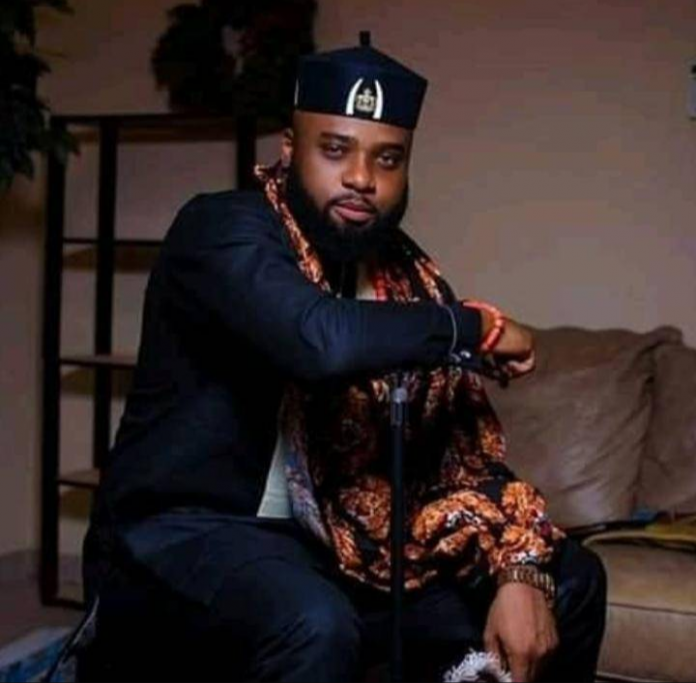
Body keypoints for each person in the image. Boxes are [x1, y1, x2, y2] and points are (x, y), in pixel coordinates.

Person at [82, 32, 606, 683]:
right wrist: (477, 326)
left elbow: (460, 451)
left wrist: (517, 568)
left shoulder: (405, 279)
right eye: (335, 150)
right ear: (289, 148)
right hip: (187, 534)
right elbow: (318, 339)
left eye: (388, 158)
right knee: (312, 621)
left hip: (336, 551)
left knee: (573, 577)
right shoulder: (221, 229)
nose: (362, 178)